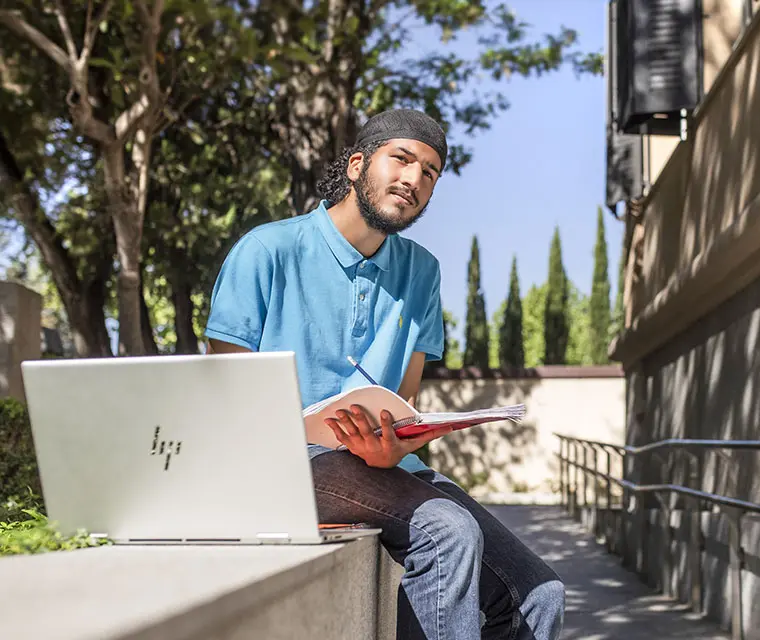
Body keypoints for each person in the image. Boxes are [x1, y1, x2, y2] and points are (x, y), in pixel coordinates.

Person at [203, 108, 565, 640]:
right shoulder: (267, 250)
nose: (414, 179)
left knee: (539, 596)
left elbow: (405, 403)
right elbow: (227, 398)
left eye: (430, 172)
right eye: (402, 159)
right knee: (447, 532)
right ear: (356, 166)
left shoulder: (422, 272)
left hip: (381, 466)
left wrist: (396, 445)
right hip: (277, 461)